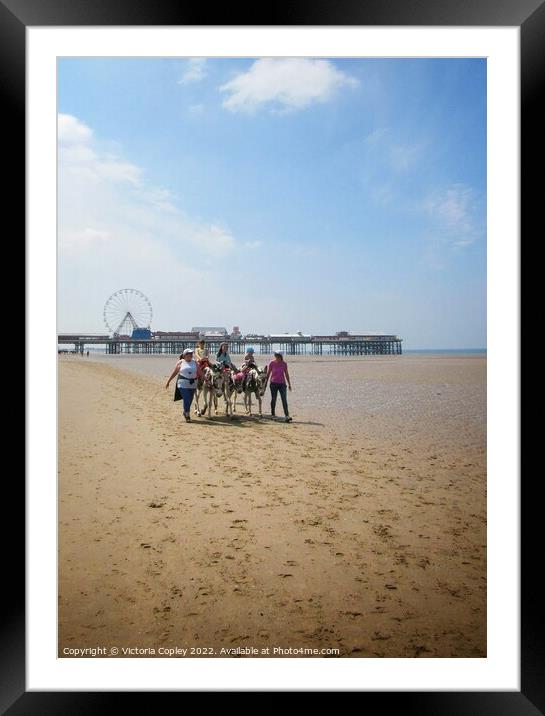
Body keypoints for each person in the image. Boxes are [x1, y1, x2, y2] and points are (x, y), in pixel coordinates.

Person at [165, 348, 202, 422]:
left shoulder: (195, 363)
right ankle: (187, 414)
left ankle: (185, 411)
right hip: (182, 383)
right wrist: (168, 381)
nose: (191, 355)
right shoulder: (180, 362)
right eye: (189, 354)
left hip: (193, 384)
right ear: (184, 355)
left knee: (190, 400)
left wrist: (207, 380)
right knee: (186, 398)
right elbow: (175, 372)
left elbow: (200, 372)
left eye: (191, 354)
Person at [265, 351, 293, 422]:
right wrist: (265, 383)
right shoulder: (271, 363)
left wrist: (289, 384)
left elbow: (286, 374)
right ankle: (273, 414)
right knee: (274, 399)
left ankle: (287, 415)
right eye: (275, 356)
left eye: (278, 356)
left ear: (281, 356)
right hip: (273, 383)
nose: (276, 357)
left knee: (284, 399)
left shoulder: (284, 364)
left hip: (282, 384)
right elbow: (268, 374)